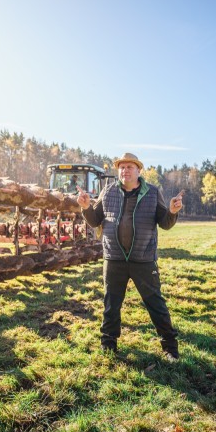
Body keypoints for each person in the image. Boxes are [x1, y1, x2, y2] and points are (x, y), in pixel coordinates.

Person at [77, 152, 184, 361]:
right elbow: (95, 219)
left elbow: (165, 223)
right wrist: (86, 207)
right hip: (114, 258)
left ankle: (170, 348)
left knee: (156, 304)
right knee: (111, 305)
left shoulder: (152, 193)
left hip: (143, 259)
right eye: (122, 167)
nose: (125, 171)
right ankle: (108, 345)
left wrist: (172, 211)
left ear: (138, 170)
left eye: (129, 167)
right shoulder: (107, 192)